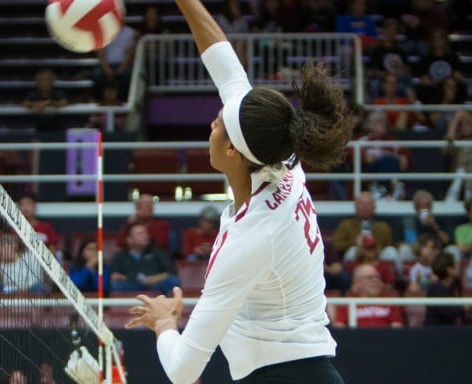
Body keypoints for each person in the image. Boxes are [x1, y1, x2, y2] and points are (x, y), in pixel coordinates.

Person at [124, 0, 355, 382]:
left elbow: (183, 371)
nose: (210, 127)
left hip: (285, 376)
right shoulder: (283, 158)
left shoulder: (253, 235)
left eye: (216, 123)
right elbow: (223, 61)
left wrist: (164, 324)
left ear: (232, 149)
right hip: (303, 371)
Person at [110, 222, 179, 295]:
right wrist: (133, 278)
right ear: (129, 239)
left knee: (173, 281)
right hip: (132, 285)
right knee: (116, 286)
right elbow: (114, 276)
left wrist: (151, 279)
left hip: (156, 285)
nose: (145, 236)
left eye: (146, 232)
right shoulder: (120, 256)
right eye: (140, 233)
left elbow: (170, 272)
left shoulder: (158, 253)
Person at [332, 191, 399, 263]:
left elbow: (391, 244)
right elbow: (336, 244)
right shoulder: (346, 225)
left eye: (368, 204)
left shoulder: (383, 227)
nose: (365, 207)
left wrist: (375, 244)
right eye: (361, 203)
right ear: (356, 207)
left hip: (378, 256)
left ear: (374, 207)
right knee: (352, 251)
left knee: (391, 252)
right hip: (357, 254)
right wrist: (356, 242)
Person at [332, 264, 404, 328]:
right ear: (357, 282)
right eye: (369, 278)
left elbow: (397, 326)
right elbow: (339, 326)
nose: (375, 280)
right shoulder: (347, 302)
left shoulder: (390, 301)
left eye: (377, 277)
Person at [424, 251, 464, 326]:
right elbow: (448, 311)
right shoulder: (435, 288)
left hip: (451, 329)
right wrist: (465, 306)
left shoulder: (455, 283)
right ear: (449, 269)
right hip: (435, 331)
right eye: (455, 264)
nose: (458, 266)